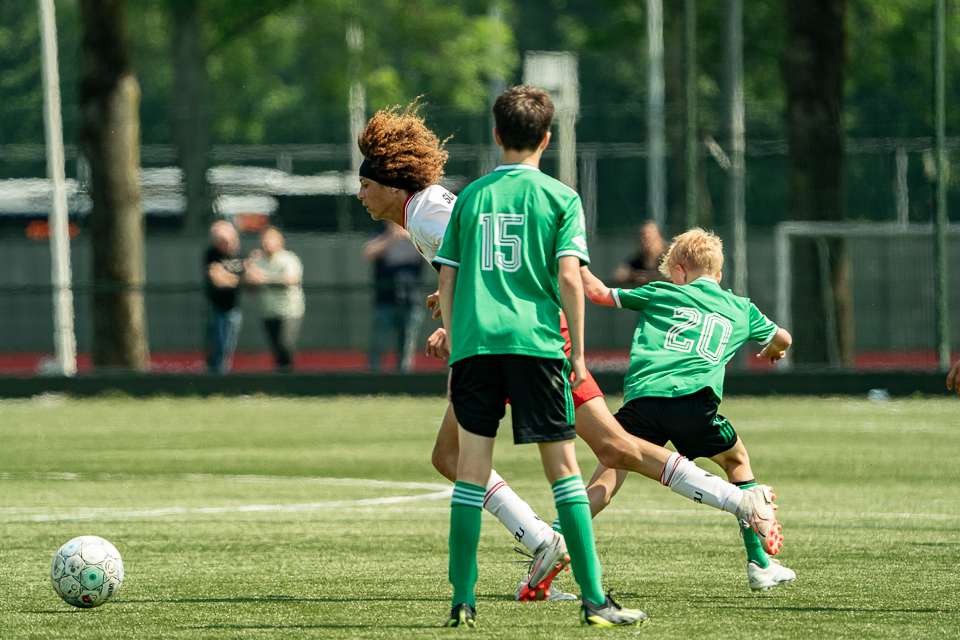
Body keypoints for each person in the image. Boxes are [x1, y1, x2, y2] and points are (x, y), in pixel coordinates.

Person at [358, 100, 782, 606]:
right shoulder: (425, 210)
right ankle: (548, 543)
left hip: (521, 337)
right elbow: (488, 259)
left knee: (603, 449)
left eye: (364, 184)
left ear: (391, 184)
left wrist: (453, 321)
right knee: (474, 455)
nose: (359, 194)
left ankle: (732, 504)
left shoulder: (428, 212)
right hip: (508, 333)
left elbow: (491, 261)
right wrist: (448, 305)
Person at [433, 85, 647, 628]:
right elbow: (571, 278)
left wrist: (456, 346)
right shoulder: (560, 198)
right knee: (565, 473)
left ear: (497, 134)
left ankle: (462, 601)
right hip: (537, 345)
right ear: (547, 139)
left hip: (478, 348)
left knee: (471, 474)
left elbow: (448, 279)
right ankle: (595, 600)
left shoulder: (471, 197)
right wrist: (579, 356)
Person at [580, 228, 796, 592]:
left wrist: (574, 262)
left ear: (678, 270)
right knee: (737, 460)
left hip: (642, 402)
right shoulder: (741, 308)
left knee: (606, 478)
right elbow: (783, 337)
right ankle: (760, 565)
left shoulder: (660, 291)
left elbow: (598, 293)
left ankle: (553, 540)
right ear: (719, 274)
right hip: (694, 405)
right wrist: (772, 350)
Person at [362, 220, 424, 372]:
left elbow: (433, 255)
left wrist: (411, 237)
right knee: (378, 344)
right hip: (384, 301)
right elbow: (369, 253)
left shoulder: (417, 234)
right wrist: (391, 236)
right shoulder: (379, 233)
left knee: (406, 347)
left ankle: (403, 378)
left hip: (410, 301)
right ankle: (373, 377)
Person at [244, 226, 304, 372]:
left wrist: (264, 278)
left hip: (289, 312)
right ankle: (282, 376)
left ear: (280, 241)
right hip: (268, 312)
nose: (266, 243)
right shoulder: (258, 262)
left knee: (285, 344)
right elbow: (251, 290)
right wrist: (249, 276)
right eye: (264, 240)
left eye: (270, 239)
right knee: (276, 347)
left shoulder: (288, 259)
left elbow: (292, 279)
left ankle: (288, 374)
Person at [204, 220, 244, 373]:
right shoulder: (211, 254)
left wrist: (227, 277)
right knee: (217, 347)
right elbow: (217, 280)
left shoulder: (240, 254)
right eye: (221, 241)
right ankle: (216, 375)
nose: (227, 244)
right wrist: (237, 280)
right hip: (215, 309)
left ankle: (223, 375)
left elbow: (249, 279)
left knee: (228, 348)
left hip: (234, 309)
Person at [612, 220, 667, 287]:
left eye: (650, 235)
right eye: (643, 236)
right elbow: (617, 276)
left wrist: (652, 277)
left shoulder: (667, 258)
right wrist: (634, 275)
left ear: (659, 237)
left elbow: (674, 276)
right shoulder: (638, 259)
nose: (646, 238)